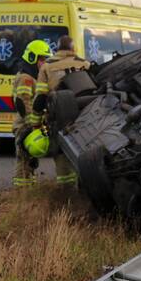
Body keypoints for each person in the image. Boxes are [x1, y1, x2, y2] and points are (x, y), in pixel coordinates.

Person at [33, 36, 91, 187]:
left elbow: (40, 98)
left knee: (61, 156)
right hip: (85, 117)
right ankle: (84, 187)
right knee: (86, 152)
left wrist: (35, 123)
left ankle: (66, 193)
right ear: (73, 49)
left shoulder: (47, 66)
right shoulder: (85, 64)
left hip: (59, 119)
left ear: (57, 50)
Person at [12, 40, 51, 187]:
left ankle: (29, 188)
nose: (44, 63)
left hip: (31, 126)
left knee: (31, 162)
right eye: (42, 59)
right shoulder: (26, 78)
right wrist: (31, 125)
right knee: (24, 161)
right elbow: (24, 103)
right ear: (32, 58)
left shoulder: (31, 77)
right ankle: (22, 191)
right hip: (25, 126)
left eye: (46, 59)